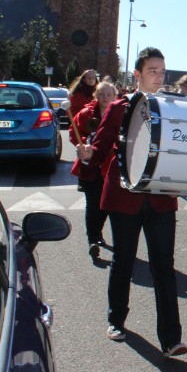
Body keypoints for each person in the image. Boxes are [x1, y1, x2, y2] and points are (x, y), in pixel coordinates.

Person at [75, 47, 187, 357]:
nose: (159, 77)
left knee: (164, 266)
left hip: (161, 199)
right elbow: (99, 149)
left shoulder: (172, 108)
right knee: (123, 260)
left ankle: (171, 339)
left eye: (162, 71)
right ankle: (116, 320)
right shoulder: (119, 108)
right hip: (124, 197)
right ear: (138, 74)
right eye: (153, 71)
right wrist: (88, 154)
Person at [69, 81, 116, 259]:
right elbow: (74, 132)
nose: (105, 98)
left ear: (115, 97)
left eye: (109, 95)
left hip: (111, 166)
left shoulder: (120, 114)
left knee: (106, 204)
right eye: (101, 94)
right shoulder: (86, 113)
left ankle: (98, 232)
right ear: (96, 95)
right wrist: (83, 144)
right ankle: (93, 239)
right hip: (90, 167)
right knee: (93, 203)